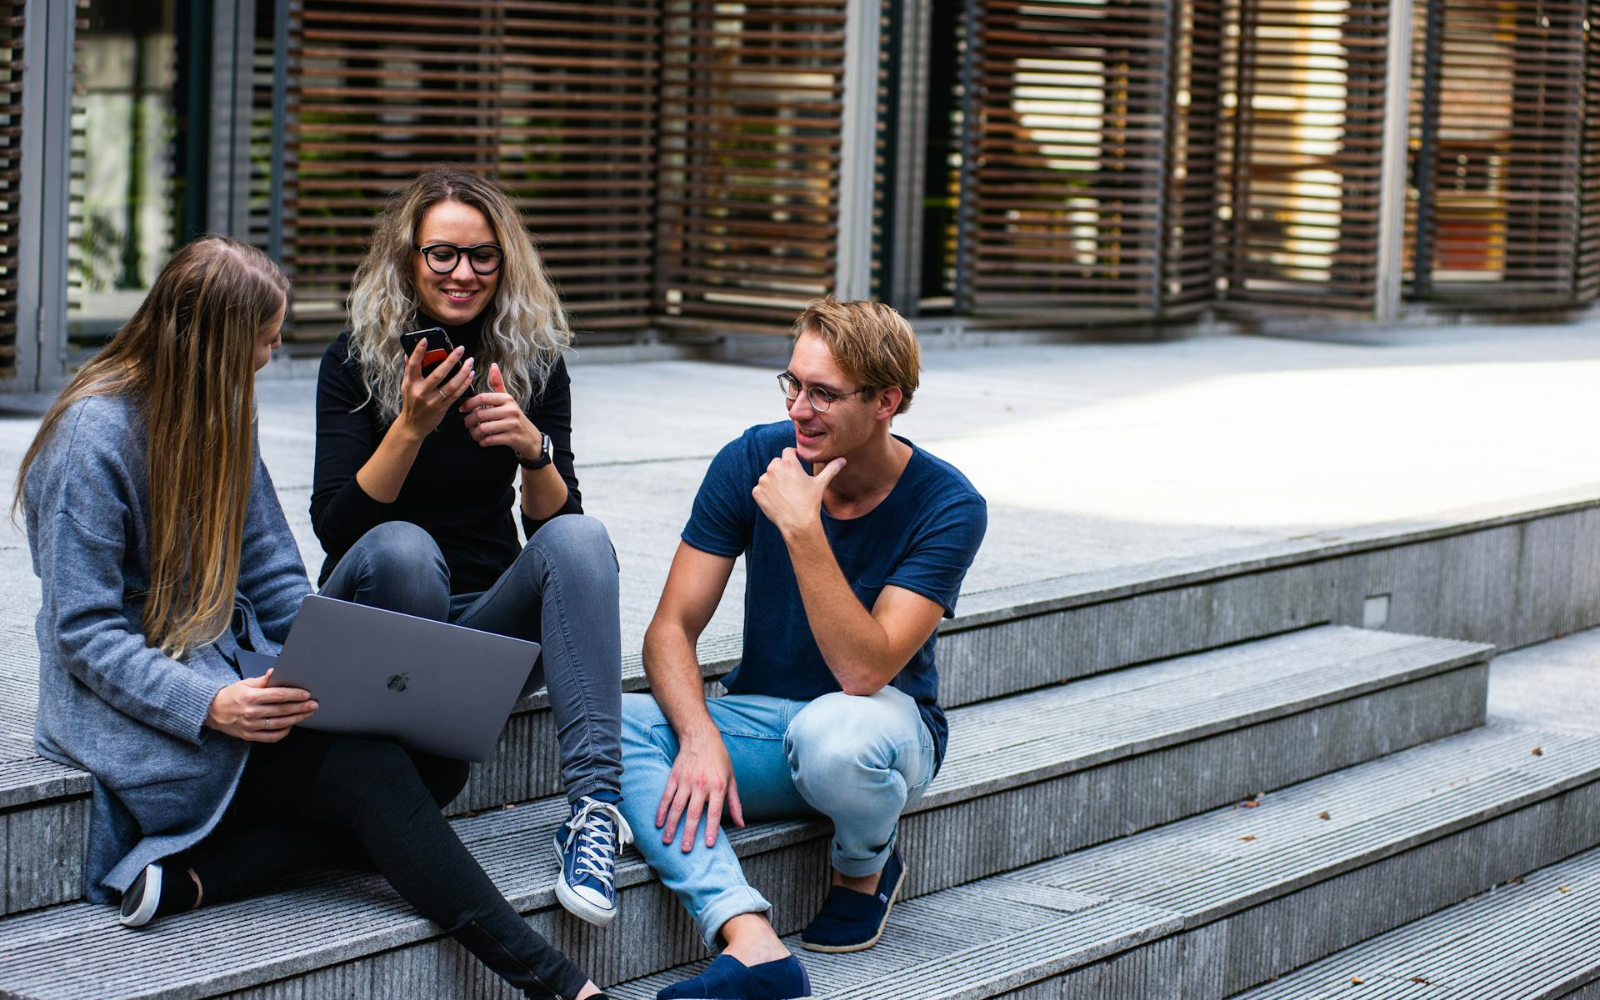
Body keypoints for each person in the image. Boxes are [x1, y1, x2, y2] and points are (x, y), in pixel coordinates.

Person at [17, 237, 609, 1000]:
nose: (270, 357)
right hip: (142, 709)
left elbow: (271, 571)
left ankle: (208, 875)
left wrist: (321, 663)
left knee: (437, 766)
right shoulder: (89, 439)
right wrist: (210, 704)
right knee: (372, 772)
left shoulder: (222, 409)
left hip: (233, 674)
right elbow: (84, 632)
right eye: (264, 341)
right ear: (214, 342)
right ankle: (558, 983)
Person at [619, 297, 988, 999]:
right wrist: (697, 736)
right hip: (762, 721)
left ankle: (864, 865)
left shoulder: (949, 505)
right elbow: (670, 629)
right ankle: (750, 940)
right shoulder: (752, 457)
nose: (798, 408)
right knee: (611, 723)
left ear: (886, 401)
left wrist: (803, 528)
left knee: (835, 736)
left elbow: (865, 670)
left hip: (879, 732)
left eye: (823, 393)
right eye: (792, 383)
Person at [310, 168, 629, 927]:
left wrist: (532, 449)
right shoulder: (354, 360)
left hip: (483, 631)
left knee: (583, 538)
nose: (464, 273)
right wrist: (411, 426)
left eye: (483, 256)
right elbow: (337, 530)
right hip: (382, 618)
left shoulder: (532, 361)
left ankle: (594, 811)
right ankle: (397, 776)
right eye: (443, 254)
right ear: (409, 258)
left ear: (505, 261)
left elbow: (557, 535)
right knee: (404, 550)